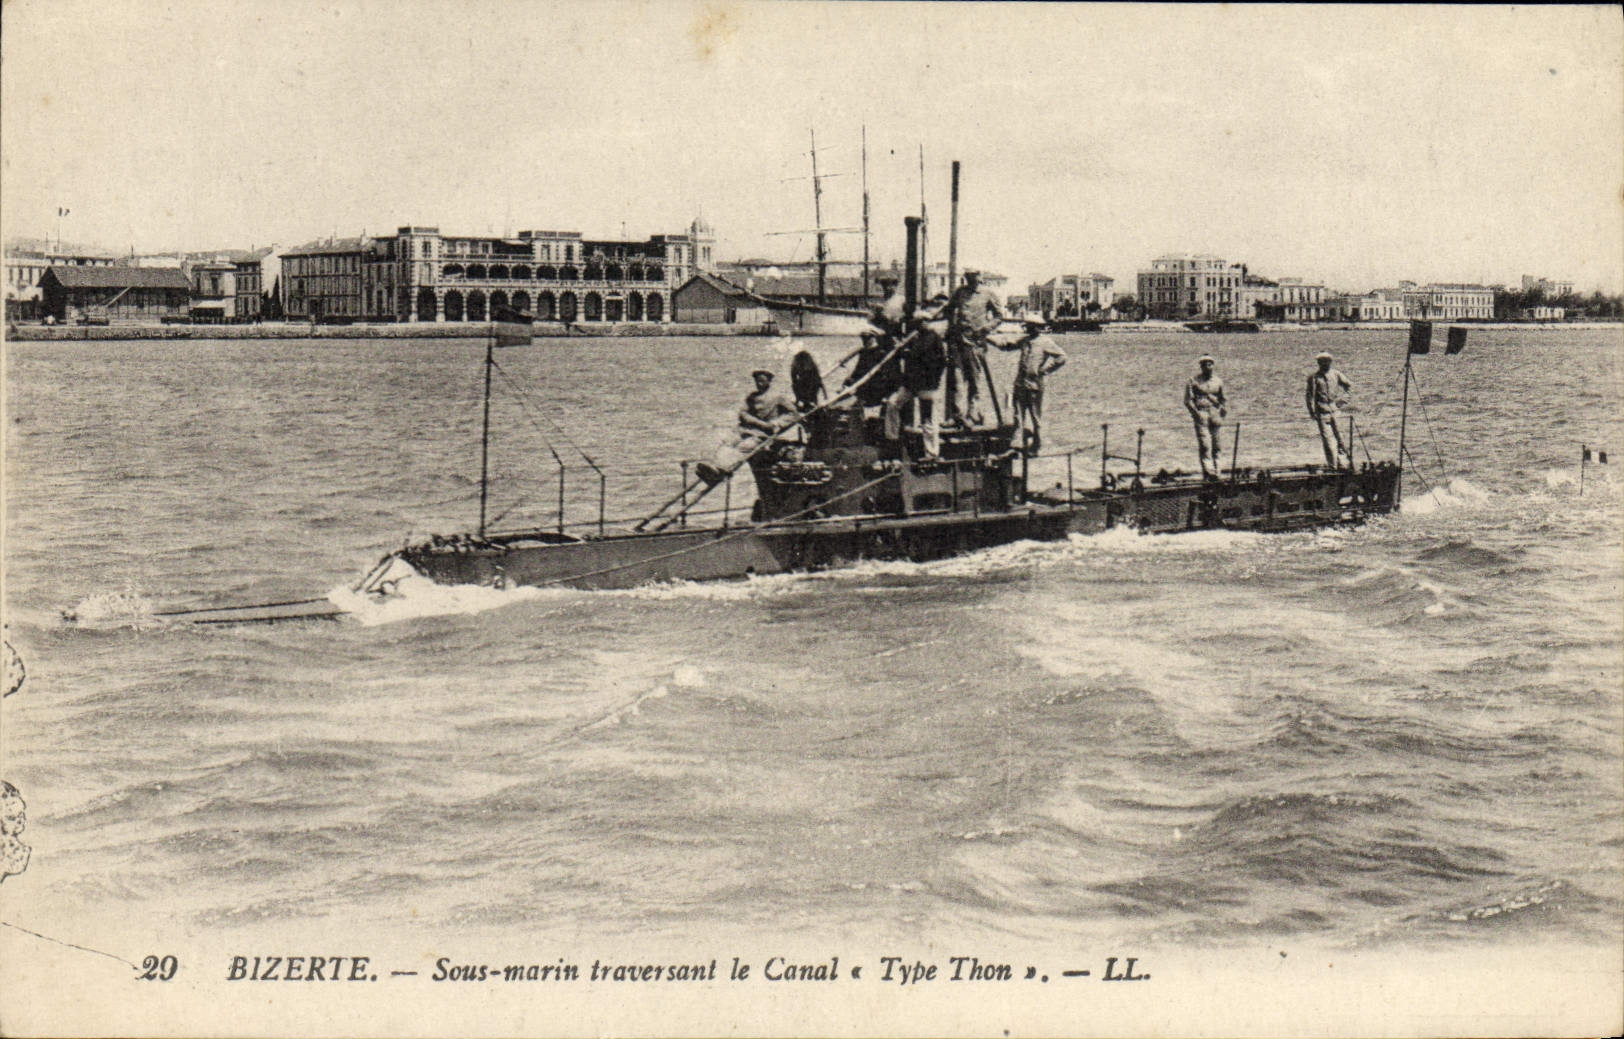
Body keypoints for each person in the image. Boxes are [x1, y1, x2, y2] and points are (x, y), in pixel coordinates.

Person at [697, 369, 799, 485]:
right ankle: (714, 466)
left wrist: (775, 423)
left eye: (762, 381)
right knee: (728, 442)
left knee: (744, 447)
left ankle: (722, 469)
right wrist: (756, 421)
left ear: (769, 381)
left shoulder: (778, 397)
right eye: (757, 381)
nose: (759, 384)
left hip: (761, 434)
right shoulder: (751, 397)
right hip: (745, 429)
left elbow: (793, 414)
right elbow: (743, 413)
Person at [994, 316, 1066, 455]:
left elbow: (1062, 357)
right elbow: (1007, 346)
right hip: (1020, 384)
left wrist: (1044, 370)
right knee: (1018, 415)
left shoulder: (1045, 342)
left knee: (1035, 417)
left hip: (1035, 385)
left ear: (1038, 327)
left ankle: (1037, 446)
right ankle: (1016, 444)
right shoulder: (1025, 341)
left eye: (1031, 326)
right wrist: (988, 339)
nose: (1029, 329)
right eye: (1028, 326)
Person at [943, 270, 1003, 425]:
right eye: (968, 277)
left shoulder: (988, 293)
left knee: (974, 381)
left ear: (980, 277)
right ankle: (957, 416)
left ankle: (973, 413)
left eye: (974, 276)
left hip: (976, 343)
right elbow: (949, 310)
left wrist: (986, 328)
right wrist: (951, 327)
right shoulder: (960, 292)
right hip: (958, 342)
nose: (971, 280)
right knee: (956, 379)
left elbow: (999, 316)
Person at [883, 323, 947, 460]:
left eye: (918, 321)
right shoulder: (915, 337)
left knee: (927, 419)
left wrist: (907, 352)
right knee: (893, 403)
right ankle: (892, 439)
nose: (916, 323)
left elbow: (934, 360)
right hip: (911, 384)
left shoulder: (932, 338)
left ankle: (932, 453)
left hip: (926, 385)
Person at [1305, 351, 1352, 468]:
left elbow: (1349, 386)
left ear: (1330, 362)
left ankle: (1344, 464)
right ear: (1318, 363)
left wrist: (1343, 400)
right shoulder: (1314, 378)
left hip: (1335, 410)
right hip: (1322, 413)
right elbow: (1309, 396)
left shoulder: (1336, 374)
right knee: (1328, 441)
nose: (1324, 363)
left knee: (1340, 438)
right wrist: (1311, 411)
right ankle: (1333, 466)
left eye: (1326, 361)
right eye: (1321, 361)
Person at [1184, 355, 1227, 480]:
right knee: (1205, 445)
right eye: (1204, 364)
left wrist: (1223, 410)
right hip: (1201, 413)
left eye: (1209, 364)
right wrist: (1196, 414)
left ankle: (1218, 471)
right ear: (1201, 366)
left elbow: (1223, 399)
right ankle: (1209, 472)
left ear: (1213, 365)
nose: (1207, 367)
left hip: (1215, 414)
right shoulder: (1193, 381)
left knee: (1217, 445)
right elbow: (1188, 400)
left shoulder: (1218, 381)